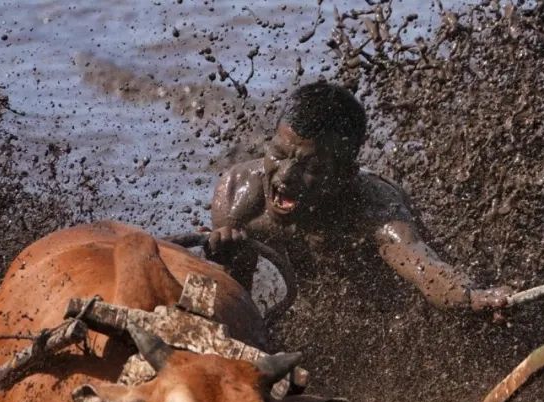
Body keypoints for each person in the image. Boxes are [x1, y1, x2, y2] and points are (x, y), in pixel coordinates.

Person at [204, 81, 512, 312]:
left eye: (312, 167)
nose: (284, 176)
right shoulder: (239, 194)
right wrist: (224, 262)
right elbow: (233, 297)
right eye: (278, 154)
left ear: (345, 175)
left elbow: (423, 266)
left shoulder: (375, 209)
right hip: (311, 307)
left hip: (392, 312)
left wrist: (472, 298)